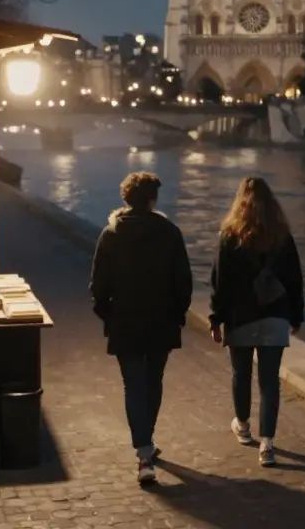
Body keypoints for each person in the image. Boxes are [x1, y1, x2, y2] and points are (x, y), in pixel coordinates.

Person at [89, 171, 193, 485]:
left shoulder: (111, 233)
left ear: (126, 198)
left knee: (133, 384)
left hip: (125, 321)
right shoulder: (170, 232)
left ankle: (144, 451)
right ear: (152, 199)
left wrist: (109, 314)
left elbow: (98, 285)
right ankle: (147, 440)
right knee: (153, 381)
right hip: (161, 320)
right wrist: (177, 313)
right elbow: (183, 282)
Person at [208, 176, 304, 468]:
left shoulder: (229, 235)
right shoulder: (283, 237)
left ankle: (243, 426)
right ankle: (268, 446)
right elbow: (295, 281)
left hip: (241, 317)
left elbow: (220, 282)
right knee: (269, 382)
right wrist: (296, 316)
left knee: (240, 373)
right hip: (275, 317)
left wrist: (216, 318)